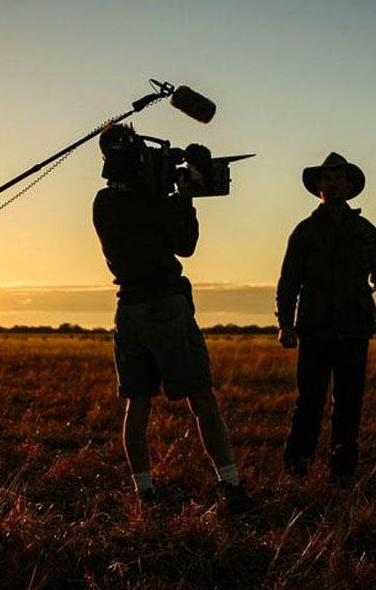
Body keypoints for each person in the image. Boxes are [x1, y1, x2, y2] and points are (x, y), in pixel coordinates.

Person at [92, 123, 251, 510]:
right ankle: (229, 483)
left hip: (127, 310)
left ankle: (143, 490)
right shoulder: (154, 201)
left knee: (137, 403)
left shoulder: (103, 202)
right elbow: (187, 244)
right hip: (165, 304)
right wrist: (185, 194)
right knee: (201, 399)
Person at [276, 152, 376, 485]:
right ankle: (297, 468)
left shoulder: (366, 231)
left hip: (355, 329)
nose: (331, 183)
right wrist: (285, 324)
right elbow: (288, 283)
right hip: (314, 329)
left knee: (349, 403)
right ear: (318, 187)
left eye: (338, 177)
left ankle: (342, 471)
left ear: (349, 185)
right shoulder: (305, 232)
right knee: (309, 402)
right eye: (326, 178)